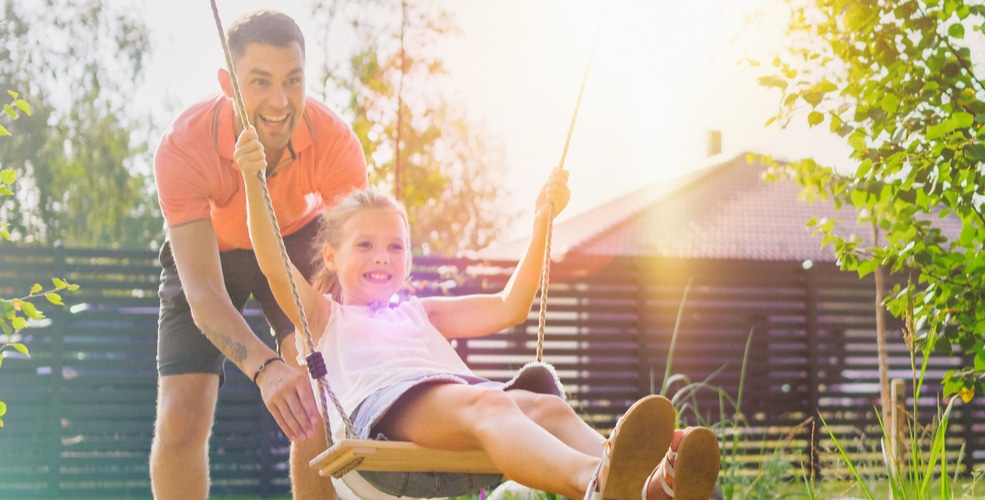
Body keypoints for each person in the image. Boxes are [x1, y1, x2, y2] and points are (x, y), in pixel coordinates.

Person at [236, 126, 723, 499]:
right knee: (492, 403)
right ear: (330, 258)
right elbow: (274, 266)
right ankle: (594, 482)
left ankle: (650, 487)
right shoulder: (325, 318)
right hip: (385, 415)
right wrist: (255, 183)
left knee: (544, 407)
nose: (382, 256)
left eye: (395, 246)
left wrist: (541, 225)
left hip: (456, 404)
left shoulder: (419, 312)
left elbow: (509, 306)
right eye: (365, 245)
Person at [150, 10, 365, 500]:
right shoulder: (182, 148)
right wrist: (266, 368)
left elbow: (352, 265)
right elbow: (203, 292)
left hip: (295, 239)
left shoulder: (335, 144)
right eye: (259, 82)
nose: (279, 100)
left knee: (315, 390)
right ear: (228, 84)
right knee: (181, 413)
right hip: (211, 252)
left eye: (293, 80)